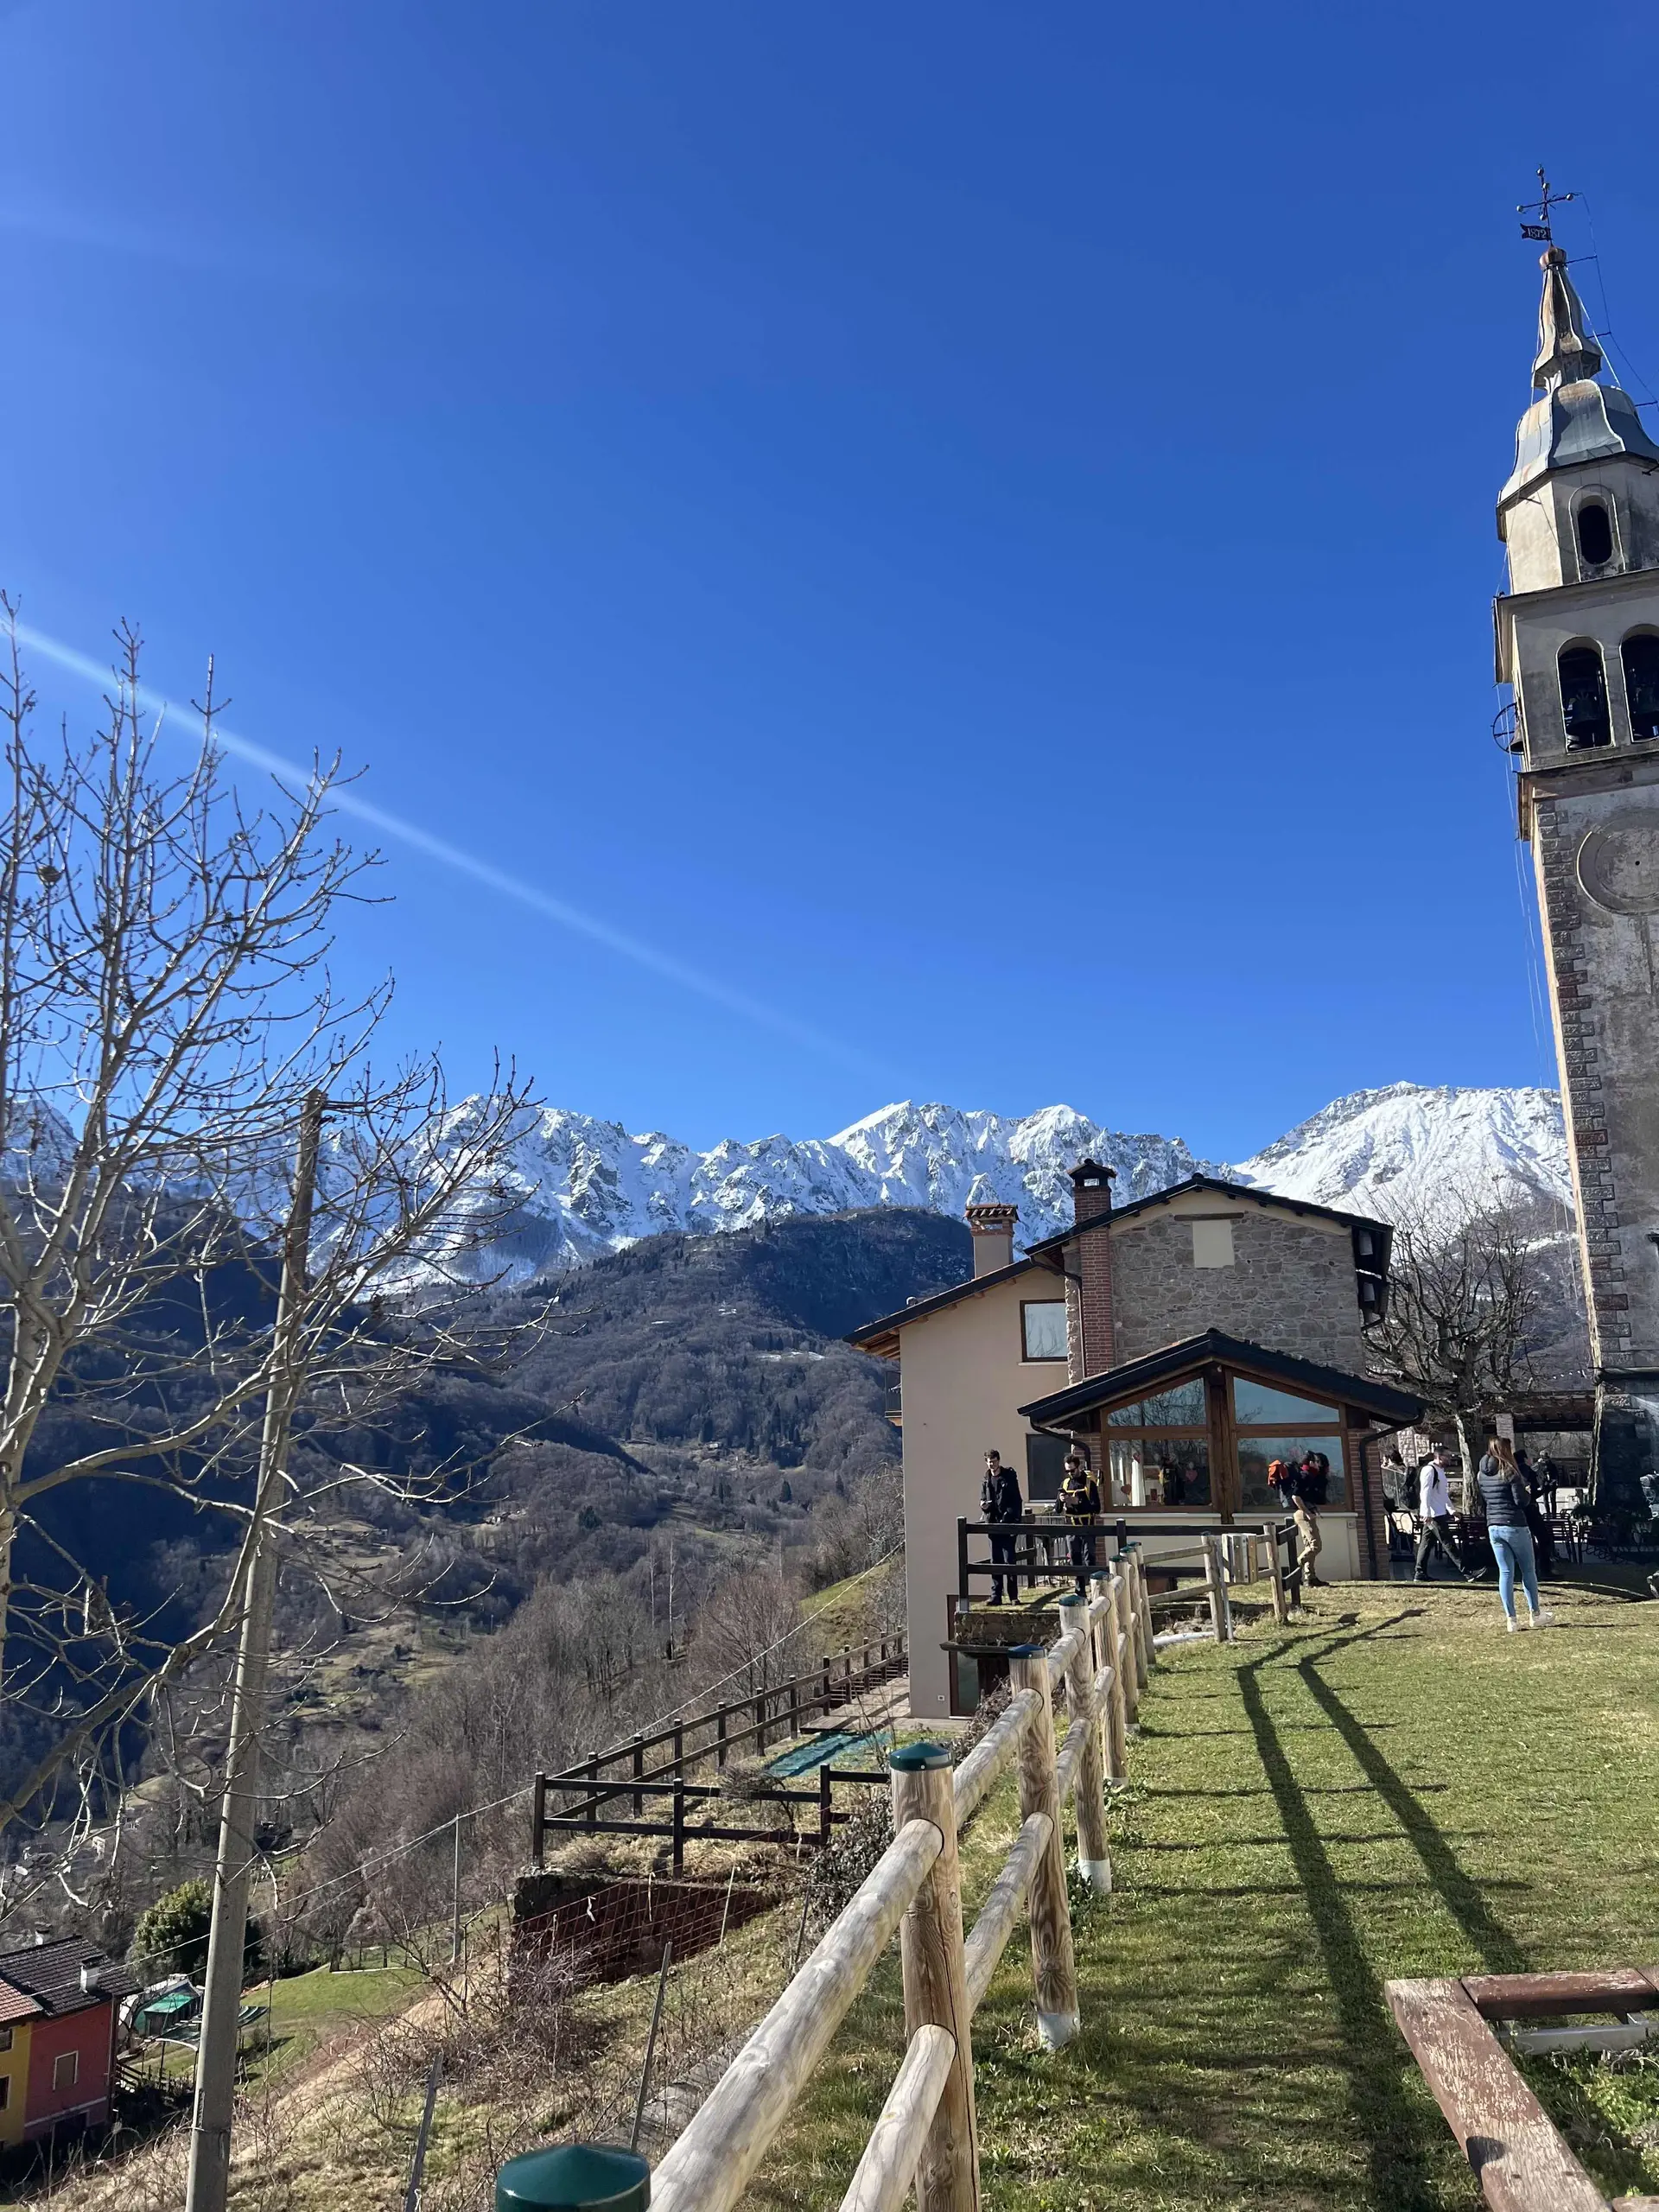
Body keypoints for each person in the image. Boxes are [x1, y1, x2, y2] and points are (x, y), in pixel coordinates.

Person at [1478, 1436, 1554, 1631]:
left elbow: (1486, 1498)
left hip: (1493, 1525)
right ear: (1505, 1450)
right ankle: (1535, 1614)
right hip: (1514, 1524)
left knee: (1505, 1572)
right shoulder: (1510, 1471)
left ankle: (1511, 1619)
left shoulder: (1481, 1474)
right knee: (1528, 1570)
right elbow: (1521, 1501)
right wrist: (1527, 1491)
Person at [1415, 1446, 1474, 1583]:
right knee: (1448, 1542)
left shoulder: (1440, 1472)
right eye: (1447, 1456)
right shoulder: (1429, 1470)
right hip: (1433, 1515)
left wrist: (1452, 1510)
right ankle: (1467, 1573)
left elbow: (1442, 1495)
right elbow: (1425, 1493)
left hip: (1439, 1512)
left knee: (1426, 1544)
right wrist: (1426, 1513)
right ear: (1439, 1457)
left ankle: (1420, 1573)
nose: (1450, 1458)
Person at [981, 1449, 1023, 1606]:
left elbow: (1016, 1500)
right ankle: (996, 1595)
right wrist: (984, 1506)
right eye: (989, 1462)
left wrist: (1010, 1517)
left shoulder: (1009, 1477)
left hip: (1007, 1524)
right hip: (992, 1525)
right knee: (995, 1561)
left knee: (1009, 1561)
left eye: (994, 1461)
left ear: (998, 1460)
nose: (992, 1464)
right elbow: (983, 1498)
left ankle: (1013, 1596)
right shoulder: (986, 1479)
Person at [1057, 1448, 1102, 1594]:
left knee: (1090, 1558)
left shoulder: (1089, 1483)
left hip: (1087, 1526)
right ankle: (1079, 1591)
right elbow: (1057, 1509)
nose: (1070, 1473)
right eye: (1067, 1471)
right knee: (1075, 1560)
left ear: (1079, 1467)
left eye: (1072, 1470)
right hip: (1071, 1527)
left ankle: (1095, 1591)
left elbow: (1097, 1508)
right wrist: (1061, 1500)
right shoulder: (1065, 1484)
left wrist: (1078, 1502)